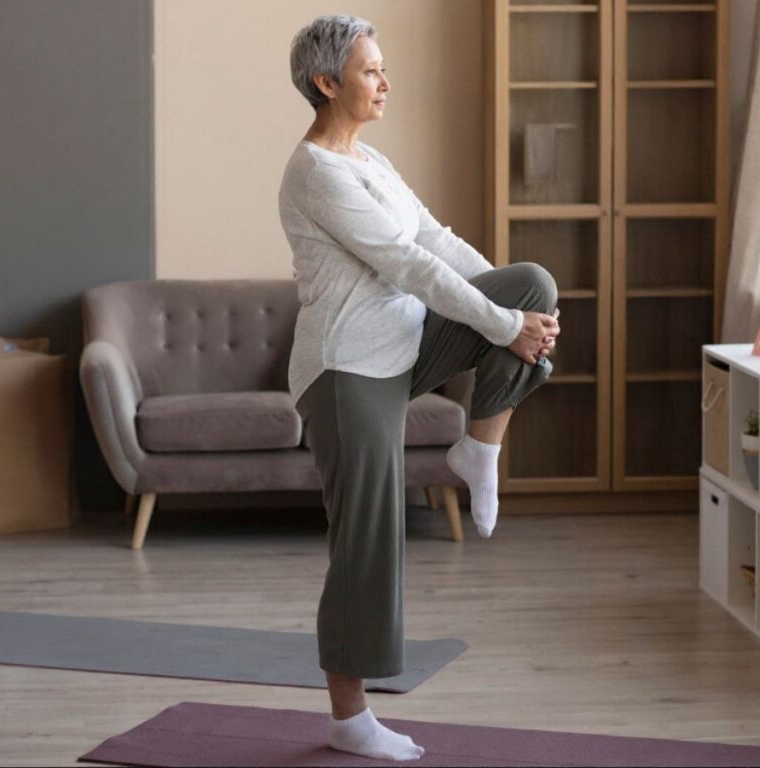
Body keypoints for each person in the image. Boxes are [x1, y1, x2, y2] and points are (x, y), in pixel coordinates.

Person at [279, 14, 560, 762]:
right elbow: (406, 265)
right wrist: (502, 327)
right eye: (371, 71)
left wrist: (515, 314)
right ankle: (349, 718)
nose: (385, 82)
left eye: (382, 68)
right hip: (346, 371)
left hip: (403, 345)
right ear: (327, 82)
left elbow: (435, 240)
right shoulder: (316, 174)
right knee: (367, 539)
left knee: (532, 283)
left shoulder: (370, 159)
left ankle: (478, 448)